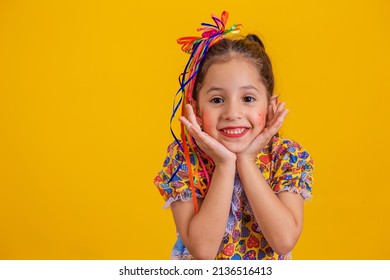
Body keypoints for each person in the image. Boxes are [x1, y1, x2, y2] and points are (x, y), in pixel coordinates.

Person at [153, 11, 314, 260]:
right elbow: (203, 252)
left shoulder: (286, 156)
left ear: (270, 106)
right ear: (196, 108)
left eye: (248, 99)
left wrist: (247, 161)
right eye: (217, 100)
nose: (232, 113)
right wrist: (225, 164)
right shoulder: (185, 158)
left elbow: (284, 241)